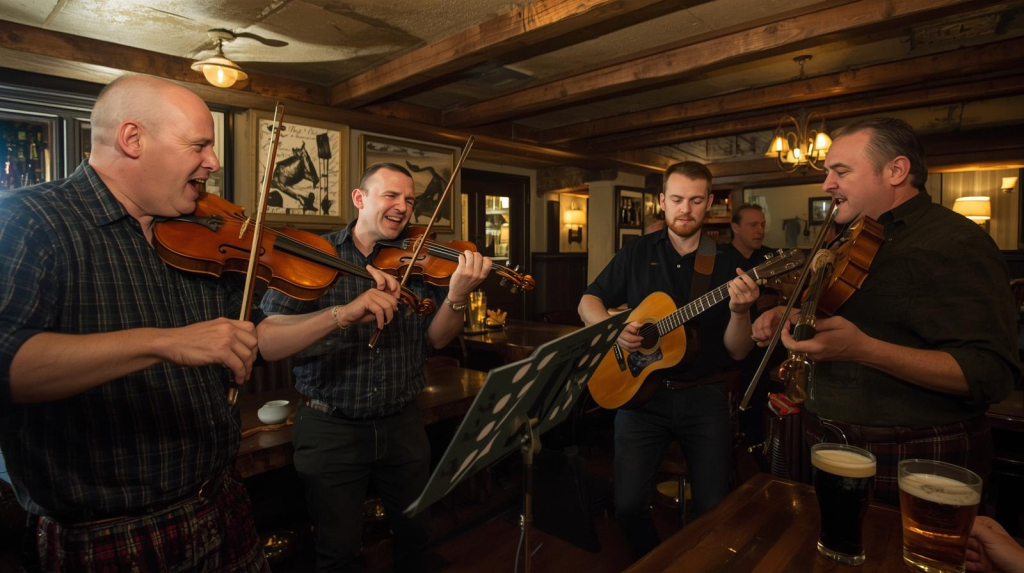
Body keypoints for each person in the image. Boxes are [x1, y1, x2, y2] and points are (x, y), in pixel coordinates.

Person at [0, 75, 402, 571]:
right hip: (111, 532)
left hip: (221, 501)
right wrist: (164, 343)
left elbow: (258, 339)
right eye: (198, 145)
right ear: (132, 139)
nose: (213, 162)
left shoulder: (199, 230)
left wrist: (340, 314)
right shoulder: (30, 219)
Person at [751, 117, 1019, 505]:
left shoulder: (956, 241)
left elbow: (991, 373)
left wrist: (866, 350)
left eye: (841, 171)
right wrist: (794, 315)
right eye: (827, 172)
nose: (827, 184)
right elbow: (858, 316)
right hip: (827, 438)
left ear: (896, 171)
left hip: (911, 453)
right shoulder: (852, 236)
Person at [261, 163, 490, 572]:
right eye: (391, 195)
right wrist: (342, 314)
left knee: (416, 536)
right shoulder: (317, 254)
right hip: (330, 427)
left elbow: (438, 338)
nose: (403, 207)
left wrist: (457, 296)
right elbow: (267, 340)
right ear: (359, 198)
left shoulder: (418, 256)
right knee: (338, 550)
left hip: (402, 423)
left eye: (410, 200)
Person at [578, 161, 759, 558]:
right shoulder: (636, 252)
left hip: (704, 396)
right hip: (640, 396)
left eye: (696, 200)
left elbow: (739, 350)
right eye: (677, 199)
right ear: (662, 201)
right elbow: (588, 301)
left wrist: (742, 311)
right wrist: (613, 328)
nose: (685, 209)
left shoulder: (728, 264)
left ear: (709, 203)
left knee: (713, 510)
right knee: (627, 506)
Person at [723, 203, 772, 268]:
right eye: (753, 225)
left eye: (763, 225)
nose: (761, 231)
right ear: (735, 228)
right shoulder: (719, 259)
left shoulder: (771, 258)